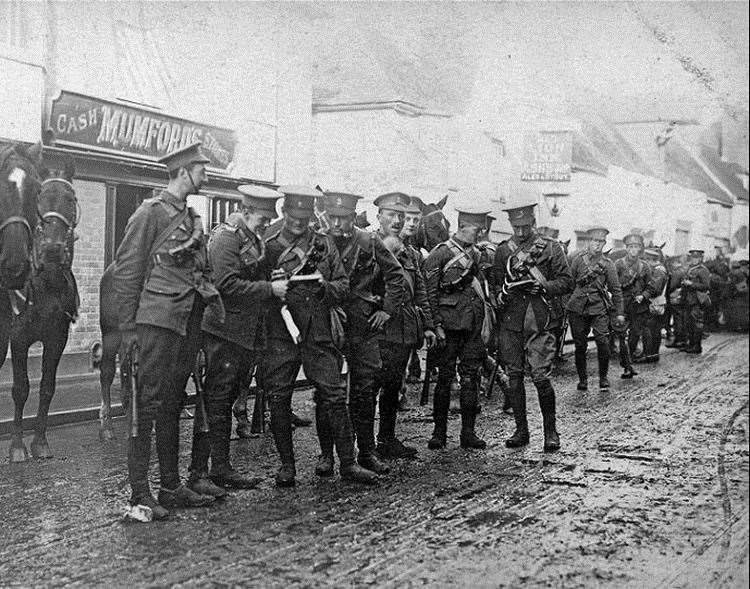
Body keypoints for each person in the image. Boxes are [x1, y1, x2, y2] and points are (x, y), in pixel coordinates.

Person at [114, 142, 222, 520]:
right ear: (182, 172)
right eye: (201, 170)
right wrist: (127, 329)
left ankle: (171, 487)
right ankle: (140, 494)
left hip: (186, 323)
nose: (206, 176)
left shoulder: (192, 218)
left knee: (174, 403)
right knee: (147, 405)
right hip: (157, 322)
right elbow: (126, 272)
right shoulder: (150, 214)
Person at [261, 186, 377, 486]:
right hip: (281, 331)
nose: (299, 223)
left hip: (317, 329)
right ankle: (287, 466)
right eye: (293, 217)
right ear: (283, 212)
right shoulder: (268, 242)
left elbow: (343, 286)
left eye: (304, 217)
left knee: (335, 396)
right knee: (278, 397)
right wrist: (273, 287)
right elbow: (255, 288)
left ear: (312, 214)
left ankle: (348, 464)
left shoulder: (323, 244)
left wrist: (325, 286)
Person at [187, 185, 284, 497]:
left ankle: (220, 467)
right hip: (222, 332)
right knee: (214, 400)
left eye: (269, 221)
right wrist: (270, 289)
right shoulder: (227, 238)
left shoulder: (249, 238)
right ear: (245, 212)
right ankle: (202, 471)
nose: (266, 225)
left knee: (224, 400)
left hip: (241, 334)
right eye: (262, 219)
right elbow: (226, 284)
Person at [320, 191, 404, 475]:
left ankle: (367, 453)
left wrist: (387, 311)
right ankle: (326, 456)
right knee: (326, 391)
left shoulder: (368, 241)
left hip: (364, 325)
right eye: (332, 218)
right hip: (329, 323)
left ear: (353, 218)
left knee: (365, 391)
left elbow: (396, 276)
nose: (337, 224)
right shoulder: (318, 242)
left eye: (343, 219)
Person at [490, 202, 573, 453]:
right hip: (511, 321)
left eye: (526, 226)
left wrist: (544, 287)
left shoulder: (550, 248)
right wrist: (499, 296)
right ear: (511, 226)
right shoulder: (504, 250)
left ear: (533, 223)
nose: (522, 232)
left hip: (540, 319)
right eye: (517, 227)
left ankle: (550, 432)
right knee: (514, 376)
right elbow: (495, 284)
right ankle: (521, 430)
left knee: (540, 376)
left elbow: (567, 281)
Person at [373, 192, 436, 459]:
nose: (397, 221)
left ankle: (386, 439)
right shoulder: (367, 244)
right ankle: (360, 446)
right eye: (392, 215)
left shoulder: (410, 253)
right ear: (379, 217)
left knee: (392, 386)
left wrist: (430, 326)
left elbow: (420, 289)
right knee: (367, 387)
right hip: (376, 327)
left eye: (402, 216)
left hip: (402, 328)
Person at [423, 209, 493, 449]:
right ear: (462, 225)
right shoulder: (440, 254)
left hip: (473, 326)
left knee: (471, 378)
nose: (481, 233)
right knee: (444, 379)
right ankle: (439, 433)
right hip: (449, 327)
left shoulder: (479, 255)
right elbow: (430, 294)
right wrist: (435, 326)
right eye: (477, 229)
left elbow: (485, 288)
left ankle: (468, 433)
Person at [566, 227, 624, 391]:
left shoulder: (608, 264)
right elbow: (569, 284)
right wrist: (566, 305)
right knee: (580, 345)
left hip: (598, 307)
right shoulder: (578, 260)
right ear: (588, 242)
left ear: (604, 244)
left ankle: (603, 378)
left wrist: (619, 312)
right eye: (594, 241)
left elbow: (616, 289)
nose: (597, 245)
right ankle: (583, 379)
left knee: (602, 342)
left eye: (601, 242)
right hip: (577, 308)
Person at [614, 234, 652, 378]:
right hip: (622, 305)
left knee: (635, 335)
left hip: (639, 307)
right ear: (626, 248)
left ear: (640, 249)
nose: (633, 250)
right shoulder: (619, 264)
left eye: (636, 247)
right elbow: (613, 284)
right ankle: (627, 366)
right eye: (631, 247)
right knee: (622, 336)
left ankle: (628, 362)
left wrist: (643, 295)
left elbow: (651, 286)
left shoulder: (645, 266)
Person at [639, 247, 669, 363]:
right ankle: (653, 354)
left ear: (651, 259)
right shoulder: (660, 269)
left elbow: (655, 289)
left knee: (649, 328)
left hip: (653, 302)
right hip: (657, 302)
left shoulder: (658, 270)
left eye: (647, 259)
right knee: (655, 329)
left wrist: (643, 293)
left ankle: (649, 354)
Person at [680, 249, 711, 354]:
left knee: (697, 324)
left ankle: (697, 346)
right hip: (688, 299)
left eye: (696, 258)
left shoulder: (703, 270)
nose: (694, 260)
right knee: (688, 323)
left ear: (700, 258)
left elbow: (706, 286)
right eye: (693, 257)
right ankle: (691, 344)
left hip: (697, 300)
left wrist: (691, 284)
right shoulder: (690, 268)